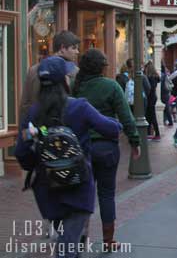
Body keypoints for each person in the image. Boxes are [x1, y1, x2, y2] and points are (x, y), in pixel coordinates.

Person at [15, 56, 122, 258]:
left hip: (47, 190)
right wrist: (117, 125)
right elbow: (111, 129)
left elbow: (22, 153)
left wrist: (39, 163)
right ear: (64, 79)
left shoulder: (32, 114)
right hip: (78, 185)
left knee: (68, 237)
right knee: (68, 245)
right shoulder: (79, 107)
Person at [71, 49, 140, 251]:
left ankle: (81, 238)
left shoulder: (77, 88)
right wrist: (135, 141)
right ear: (102, 67)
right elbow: (126, 116)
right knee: (107, 194)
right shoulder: (110, 86)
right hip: (107, 147)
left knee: (83, 194)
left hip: (82, 148)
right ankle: (109, 240)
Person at [19, 30, 80, 122]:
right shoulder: (75, 72)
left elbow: (25, 105)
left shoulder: (33, 70)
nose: (77, 52)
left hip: (37, 127)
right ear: (62, 48)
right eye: (74, 48)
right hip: (63, 128)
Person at [144, 61, 161, 140]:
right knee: (149, 115)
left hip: (150, 98)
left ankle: (157, 134)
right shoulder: (155, 77)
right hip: (153, 97)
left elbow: (150, 88)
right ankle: (149, 133)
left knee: (152, 116)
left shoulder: (150, 78)